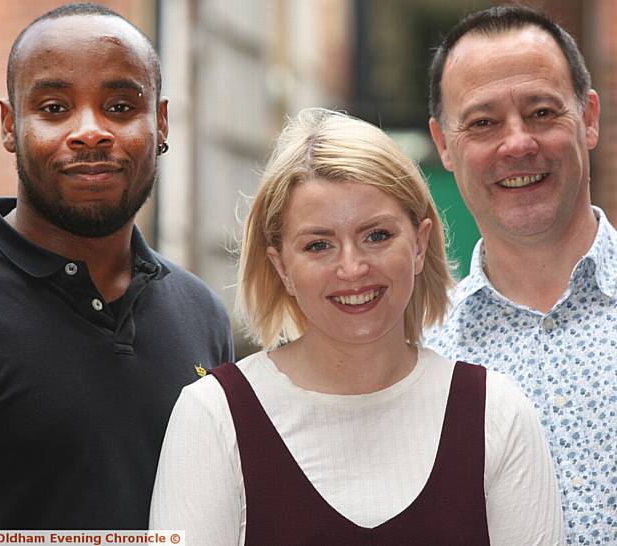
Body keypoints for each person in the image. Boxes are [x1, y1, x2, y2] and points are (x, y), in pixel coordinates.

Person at [150, 108, 563, 545]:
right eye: (319, 245)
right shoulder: (213, 416)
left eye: (377, 236)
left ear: (420, 244)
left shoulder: (496, 413)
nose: (352, 268)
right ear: (282, 266)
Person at [0, 2, 233, 529]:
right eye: (53, 108)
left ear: (160, 122)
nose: (90, 132)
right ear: (9, 125)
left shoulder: (202, 313)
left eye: (119, 107)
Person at [424, 4, 615, 543]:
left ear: (590, 118)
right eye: (483, 123)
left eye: (541, 112)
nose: (517, 144)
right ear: (443, 144)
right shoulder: (417, 354)